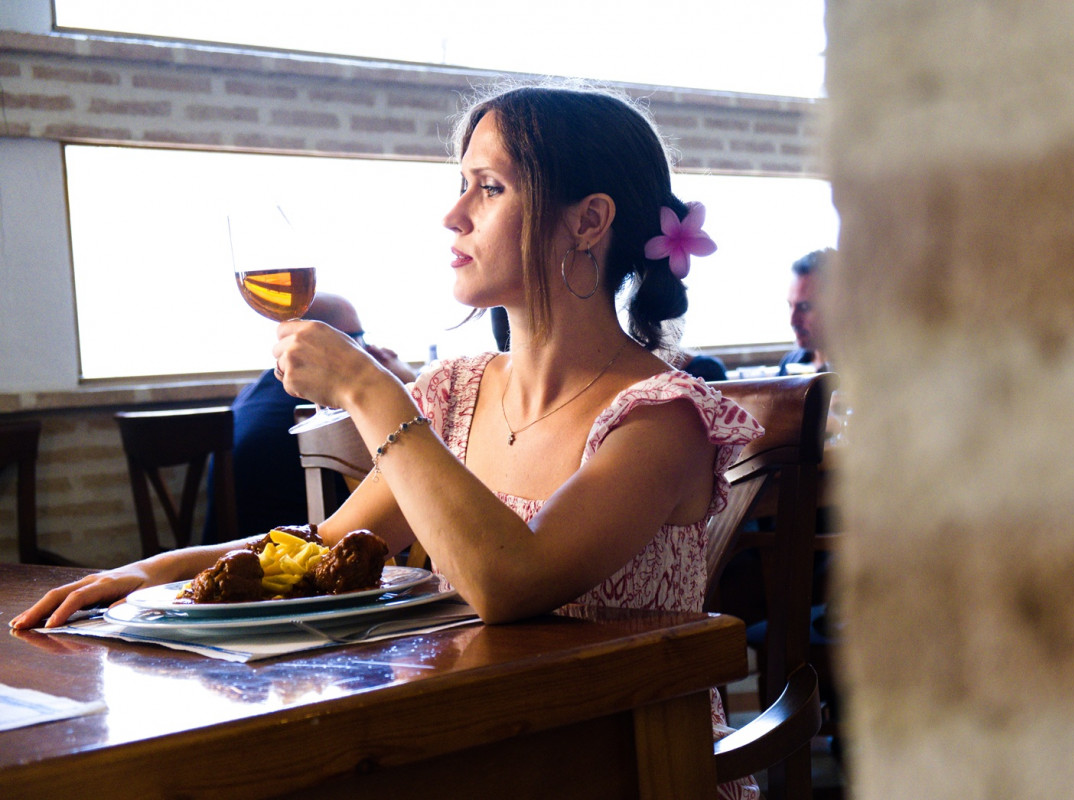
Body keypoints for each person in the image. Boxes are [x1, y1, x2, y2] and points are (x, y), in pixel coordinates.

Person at [14, 83, 763, 799]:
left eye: (489, 187)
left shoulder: (663, 416)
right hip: (484, 740)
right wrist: (151, 575)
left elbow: (509, 586)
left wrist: (369, 391)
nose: (453, 215)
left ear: (589, 221)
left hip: (631, 759)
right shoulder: (458, 392)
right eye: (460, 184)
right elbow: (321, 549)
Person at [202, 292, 415, 544]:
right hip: (299, 554)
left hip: (233, 551)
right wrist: (406, 385)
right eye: (358, 339)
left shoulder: (255, 393)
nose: (368, 350)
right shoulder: (335, 409)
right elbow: (410, 482)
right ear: (323, 341)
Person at [778, 247, 835, 375]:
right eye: (790, 306)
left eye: (804, 307)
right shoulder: (790, 363)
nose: (793, 320)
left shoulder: (859, 371)